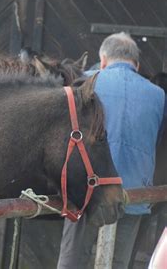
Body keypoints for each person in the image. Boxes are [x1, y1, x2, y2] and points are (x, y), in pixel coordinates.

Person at [57, 32, 165, 269]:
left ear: (103, 60)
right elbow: (156, 141)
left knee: (71, 264)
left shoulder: (85, 82)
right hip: (133, 195)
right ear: (136, 65)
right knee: (117, 264)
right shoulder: (159, 96)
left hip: (87, 193)